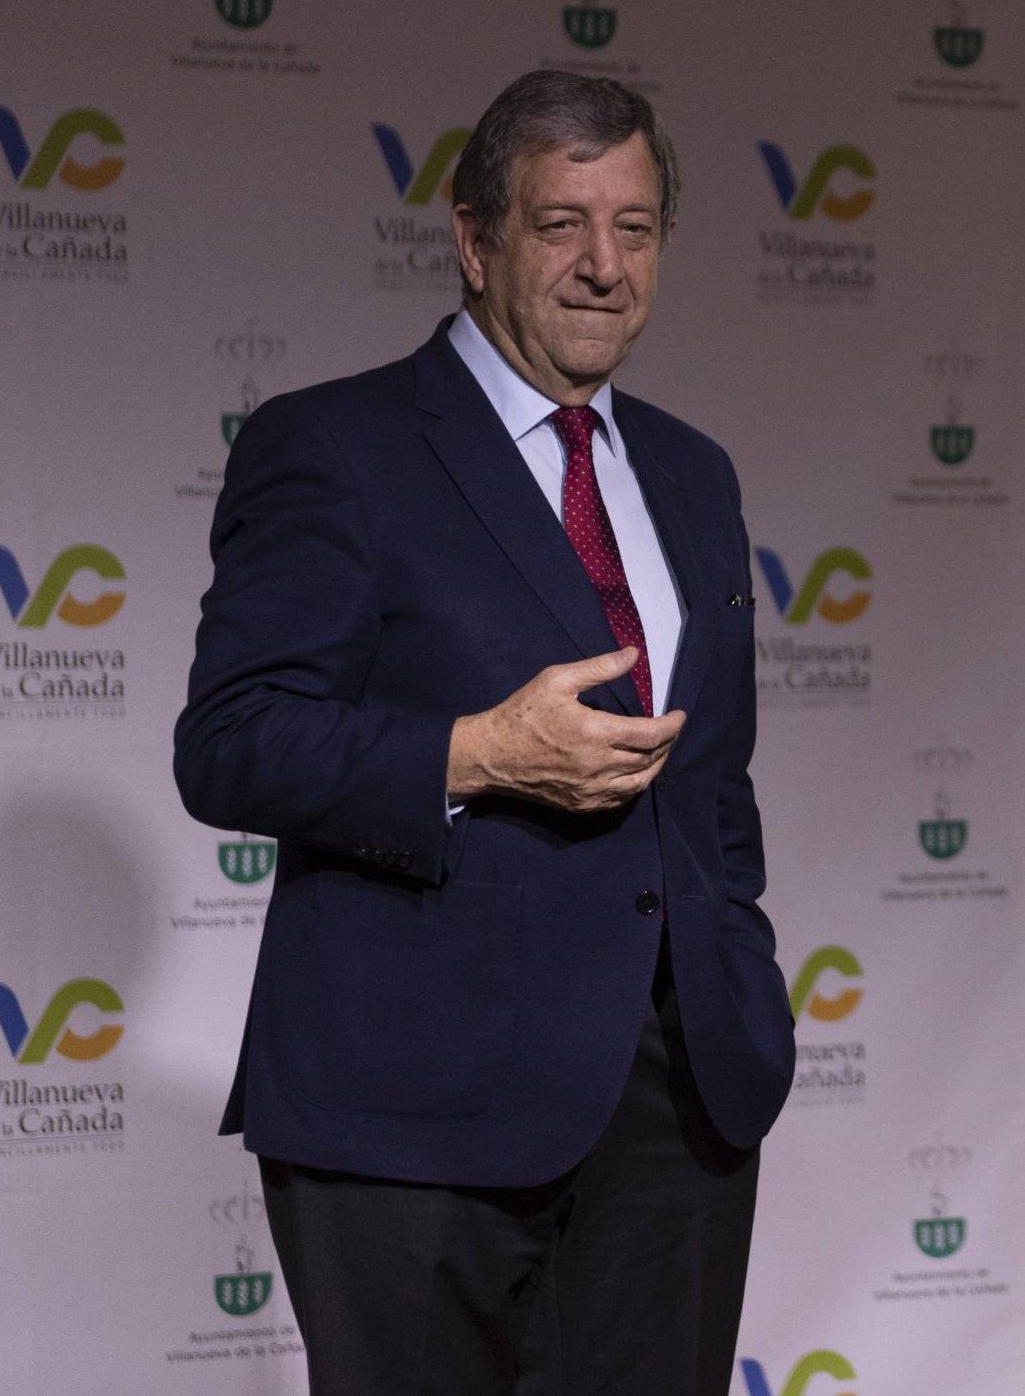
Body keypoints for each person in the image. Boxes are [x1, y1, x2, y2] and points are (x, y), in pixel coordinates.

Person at [176, 69, 795, 1394]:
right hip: (412, 1112)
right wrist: (478, 753)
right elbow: (230, 739)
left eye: (634, 228)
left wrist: (740, 988)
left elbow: (717, 789)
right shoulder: (334, 446)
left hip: (674, 1106)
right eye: (561, 223)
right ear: (473, 240)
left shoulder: (695, 472)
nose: (601, 265)